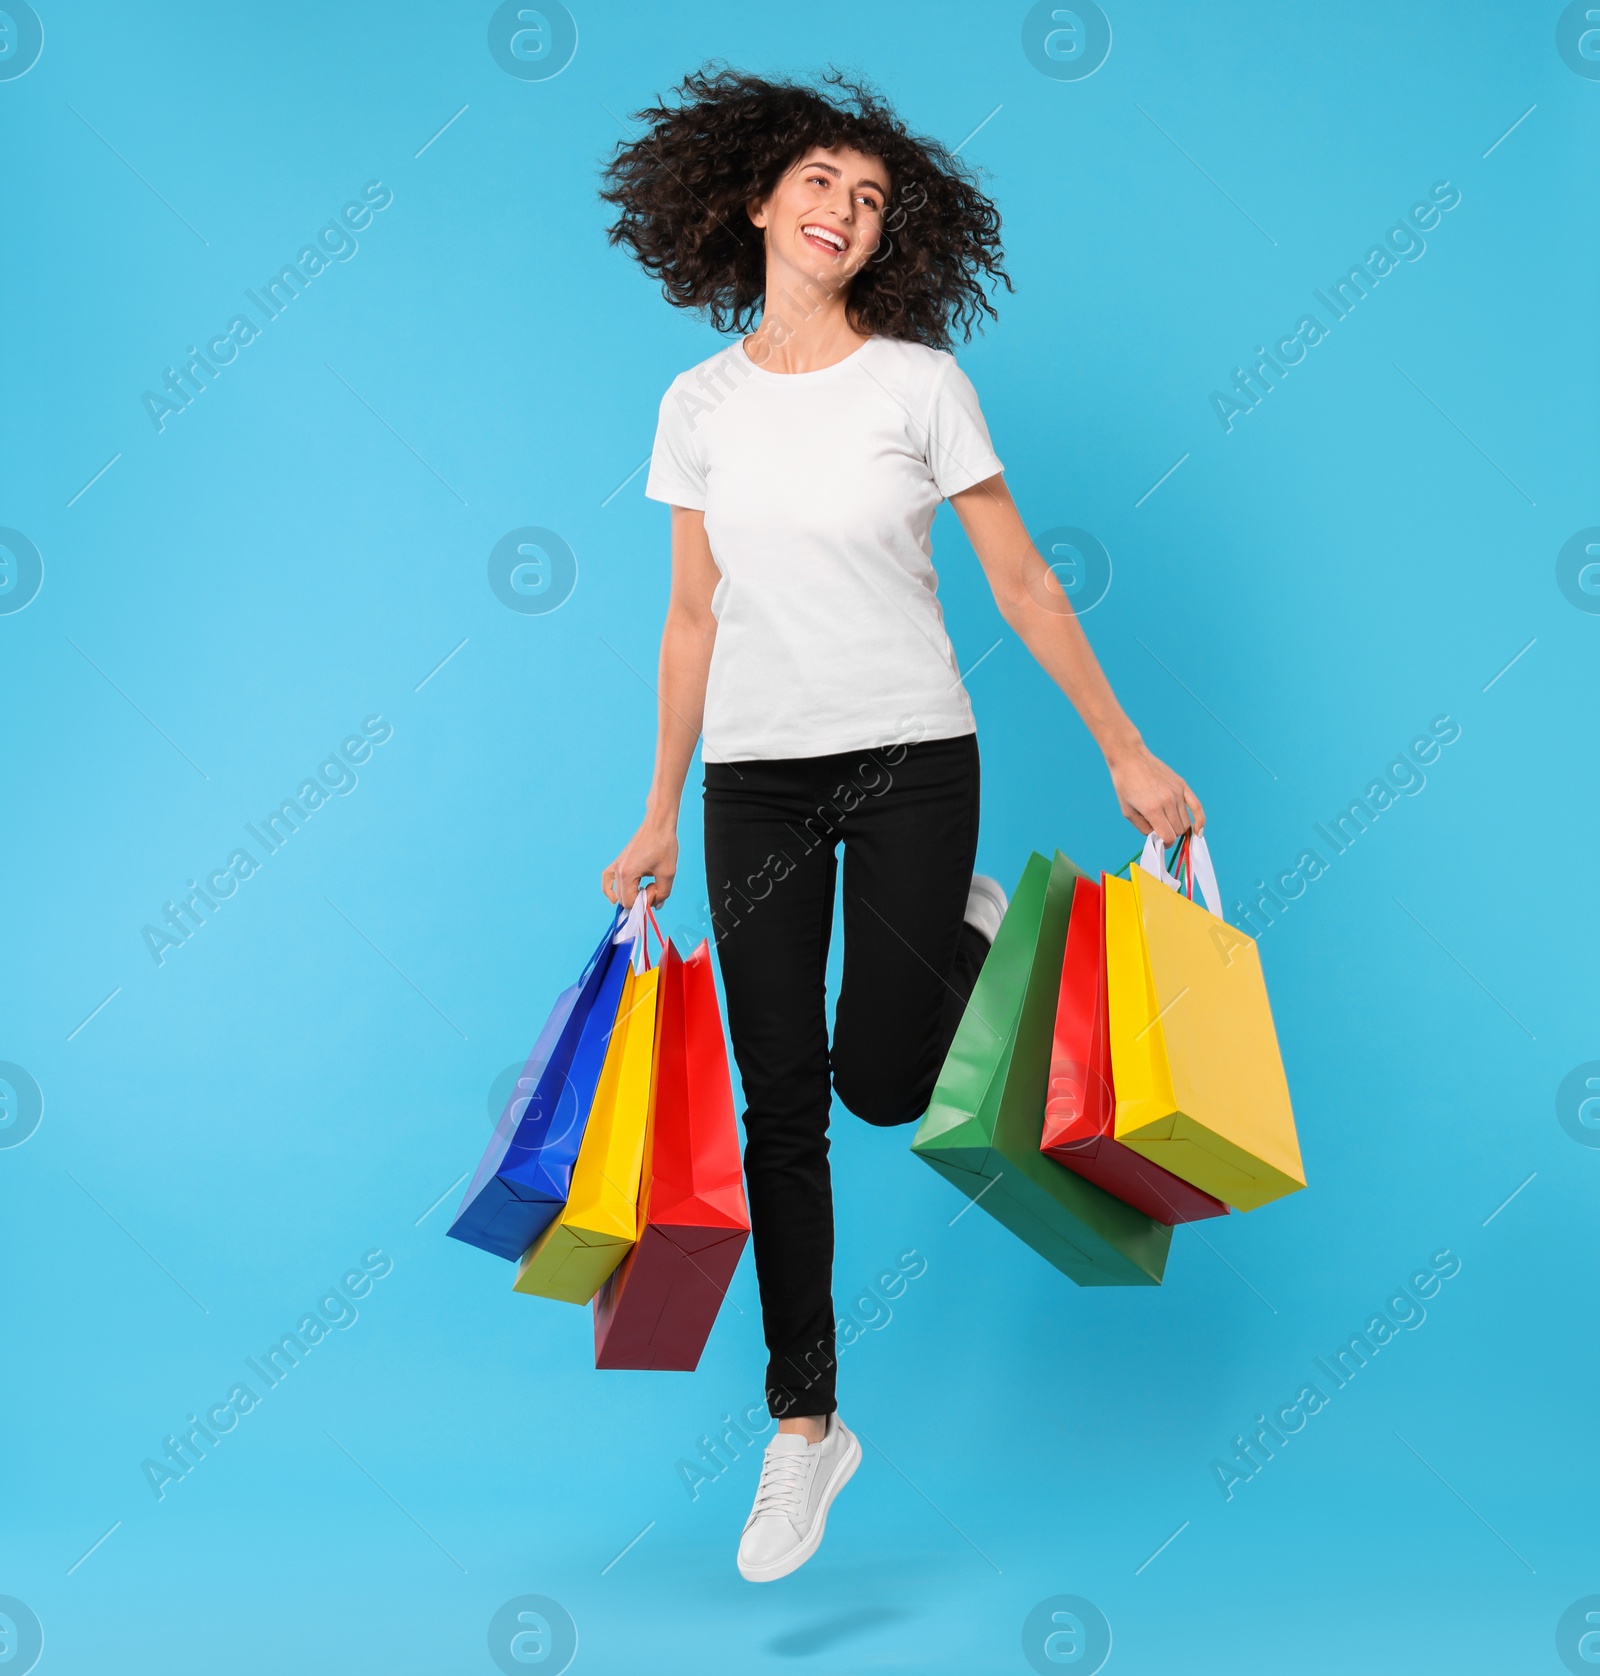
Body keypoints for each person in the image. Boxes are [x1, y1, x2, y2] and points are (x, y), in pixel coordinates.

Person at [598, 66, 1203, 1583]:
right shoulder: (699, 407)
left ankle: (968, 934)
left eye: (869, 200)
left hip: (916, 755)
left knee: (881, 1082)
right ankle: (804, 1426)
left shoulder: (921, 385)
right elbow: (690, 617)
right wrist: (657, 810)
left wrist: (1128, 751)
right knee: (777, 1101)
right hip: (757, 776)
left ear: (888, 242)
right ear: (751, 200)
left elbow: (1019, 582)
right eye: (818, 183)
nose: (843, 212)